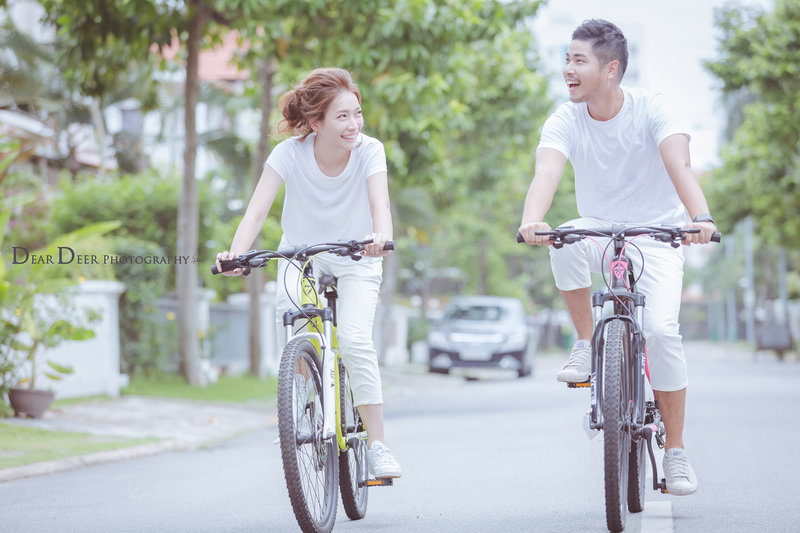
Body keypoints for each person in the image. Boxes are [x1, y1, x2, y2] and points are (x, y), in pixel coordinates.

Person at [517, 19, 717, 496]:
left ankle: (676, 451)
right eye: (566, 59)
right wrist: (532, 220)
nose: (567, 68)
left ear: (610, 69)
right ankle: (587, 344)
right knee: (563, 237)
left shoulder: (653, 109)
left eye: (578, 60)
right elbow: (546, 172)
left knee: (662, 332)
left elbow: (679, 164)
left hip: (658, 237)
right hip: (599, 231)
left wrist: (701, 217)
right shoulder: (565, 118)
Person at [216, 67, 401, 479]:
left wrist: (380, 237)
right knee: (299, 342)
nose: (354, 124)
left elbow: (380, 204)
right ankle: (314, 399)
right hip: (300, 256)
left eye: (357, 113)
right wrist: (237, 255)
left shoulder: (371, 150)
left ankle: (378, 445)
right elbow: (257, 209)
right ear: (315, 122)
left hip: (357, 255)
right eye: (342, 116)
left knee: (353, 340)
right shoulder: (288, 154)